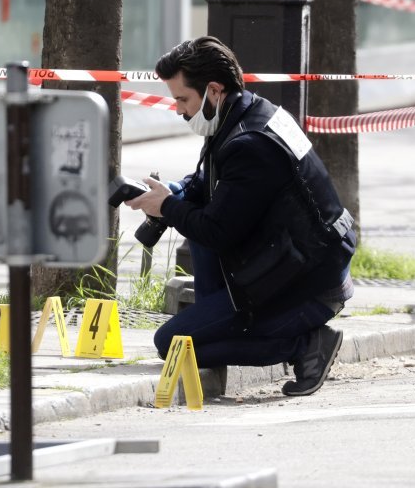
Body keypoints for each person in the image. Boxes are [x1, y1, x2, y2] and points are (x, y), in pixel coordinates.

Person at [126, 36, 357, 396]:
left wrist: (168, 207)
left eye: (183, 99)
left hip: (309, 283)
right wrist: (173, 191)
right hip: (295, 261)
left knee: (173, 344)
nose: (179, 110)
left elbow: (219, 231)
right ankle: (221, 322)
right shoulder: (246, 114)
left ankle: (305, 345)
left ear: (214, 91)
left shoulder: (249, 144)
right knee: (196, 218)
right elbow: (211, 183)